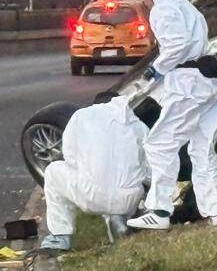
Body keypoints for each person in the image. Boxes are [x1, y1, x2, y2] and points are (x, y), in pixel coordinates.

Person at [128, 0, 217, 230]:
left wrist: (155, 70)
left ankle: (160, 210)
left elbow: (177, 45)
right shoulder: (187, 6)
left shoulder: (162, 9)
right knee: (202, 149)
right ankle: (216, 212)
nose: (142, 0)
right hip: (209, 82)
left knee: (159, 144)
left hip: (188, 87)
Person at [41, 94, 159, 251]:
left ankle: (60, 237)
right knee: (122, 180)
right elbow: (150, 167)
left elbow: (70, 155)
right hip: (130, 199)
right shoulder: (137, 125)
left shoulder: (81, 117)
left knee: (53, 171)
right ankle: (119, 218)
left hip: (92, 196)